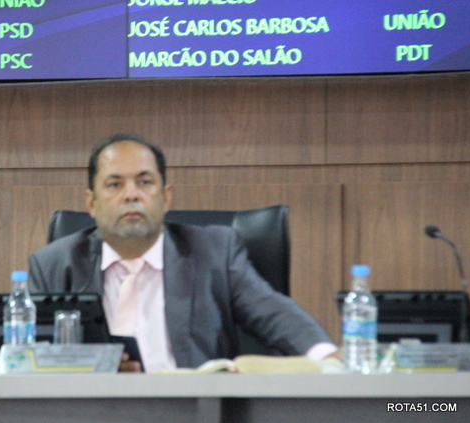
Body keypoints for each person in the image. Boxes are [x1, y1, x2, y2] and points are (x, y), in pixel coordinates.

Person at [29, 134, 337, 372]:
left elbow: (272, 312)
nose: (131, 194)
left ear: (165, 198)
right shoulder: (54, 264)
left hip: (193, 412)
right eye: (114, 184)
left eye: (144, 182)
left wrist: (328, 357)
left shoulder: (214, 252)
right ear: (92, 203)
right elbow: (27, 357)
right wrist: (98, 368)